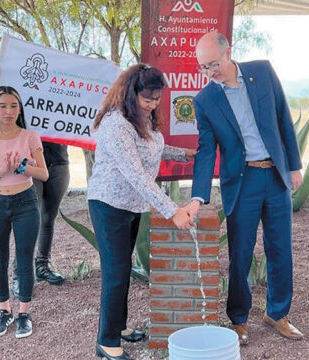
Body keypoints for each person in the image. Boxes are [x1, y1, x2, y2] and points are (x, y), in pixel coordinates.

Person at [184, 32, 304, 345]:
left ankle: (277, 314)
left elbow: (282, 117)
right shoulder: (205, 100)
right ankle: (238, 319)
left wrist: (294, 166)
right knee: (240, 255)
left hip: (275, 176)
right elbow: (207, 150)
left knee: (280, 250)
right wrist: (198, 197)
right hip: (242, 183)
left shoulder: (262, 71)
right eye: (203, 68)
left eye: (213, 64)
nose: (210, 72)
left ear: (228, 52)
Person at [87, 64, 195, 360]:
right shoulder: (116, 123)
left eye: (156, 99)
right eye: (146, 99)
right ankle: (107, 342)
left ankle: (117, 328)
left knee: (122, 270)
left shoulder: (143, 119)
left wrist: (183, 154)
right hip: (108, 205)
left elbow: (151, 148)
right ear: (129, 92)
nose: (151, 104)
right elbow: (136, 173)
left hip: (131, 205)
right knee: (116, 272)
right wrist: (172, 210)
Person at [0, 86, 49, 338]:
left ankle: (23, 314)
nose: (9, 111)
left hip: (25, 203)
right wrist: (1, 171)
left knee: (24, 259)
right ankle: (4, 311)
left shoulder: (30, 136)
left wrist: (22, 167)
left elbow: (43, 173)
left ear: (20, 109)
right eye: (3, 106)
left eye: (14, 106)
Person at [0, 65, 68, 295]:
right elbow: (1, 106)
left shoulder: (63, 95)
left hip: (59, 162)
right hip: (29, 164)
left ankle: (42, 266)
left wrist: (108, 73)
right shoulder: (23, 97)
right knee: (26, 221)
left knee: (48, 217)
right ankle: (18, 274)